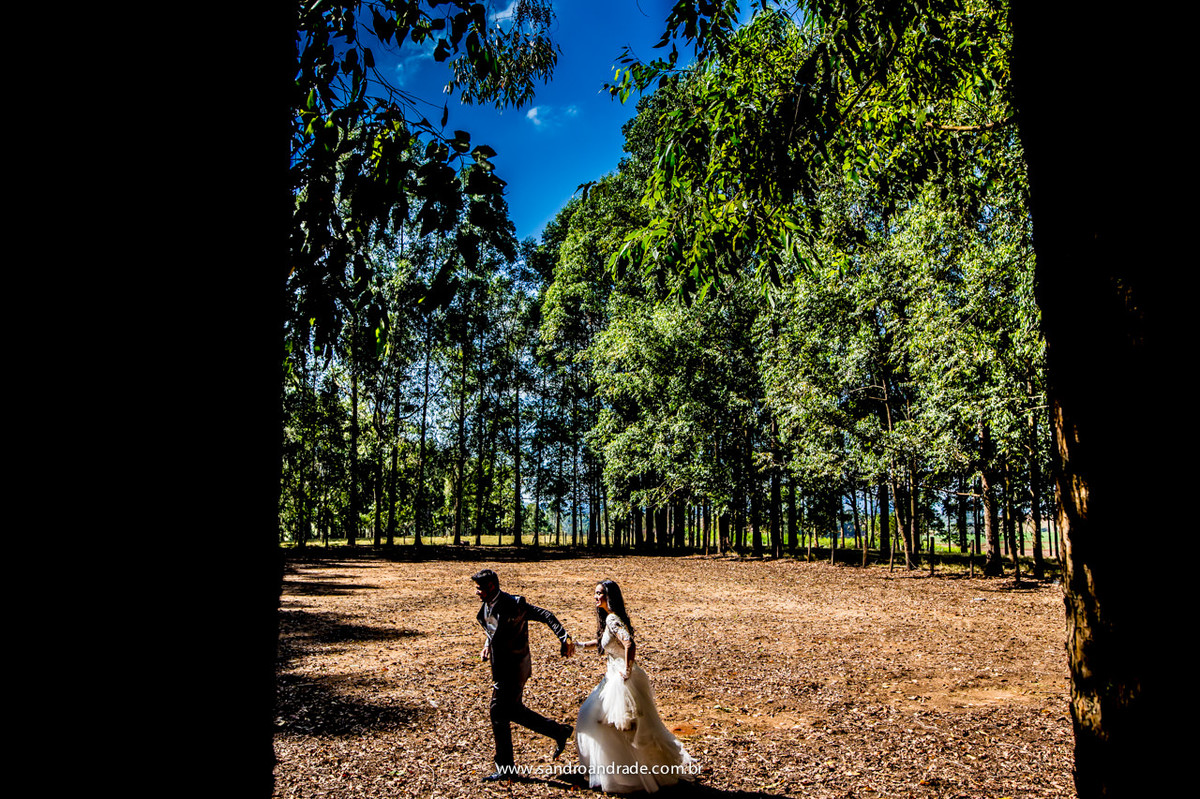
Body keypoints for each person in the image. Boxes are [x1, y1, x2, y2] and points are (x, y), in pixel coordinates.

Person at [574, 579, 695, 793]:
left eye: (600, 593)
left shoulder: (612, 618)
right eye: (595, 593)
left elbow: (629, 643)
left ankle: (629, 775)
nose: (596, 597)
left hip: (620, 679)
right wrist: (580, 645)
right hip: (613, 676)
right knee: (609, 724)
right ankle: (620, 773)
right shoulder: (610, 619)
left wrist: (627, 671)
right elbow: (605, 642)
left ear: (609, 596)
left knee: (607, 722)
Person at [471, 568, 576, 782]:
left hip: (514, 667)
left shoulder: (514, 604)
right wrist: (487, 644)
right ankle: (558, 731)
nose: (477, 592)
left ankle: (506, 768)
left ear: (491, 586)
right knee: (513, 711)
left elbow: (546, 615)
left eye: (480, 588)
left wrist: (564, 638)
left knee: (497, 711)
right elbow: (493, 628)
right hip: (501, 667)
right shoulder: (487, 605)